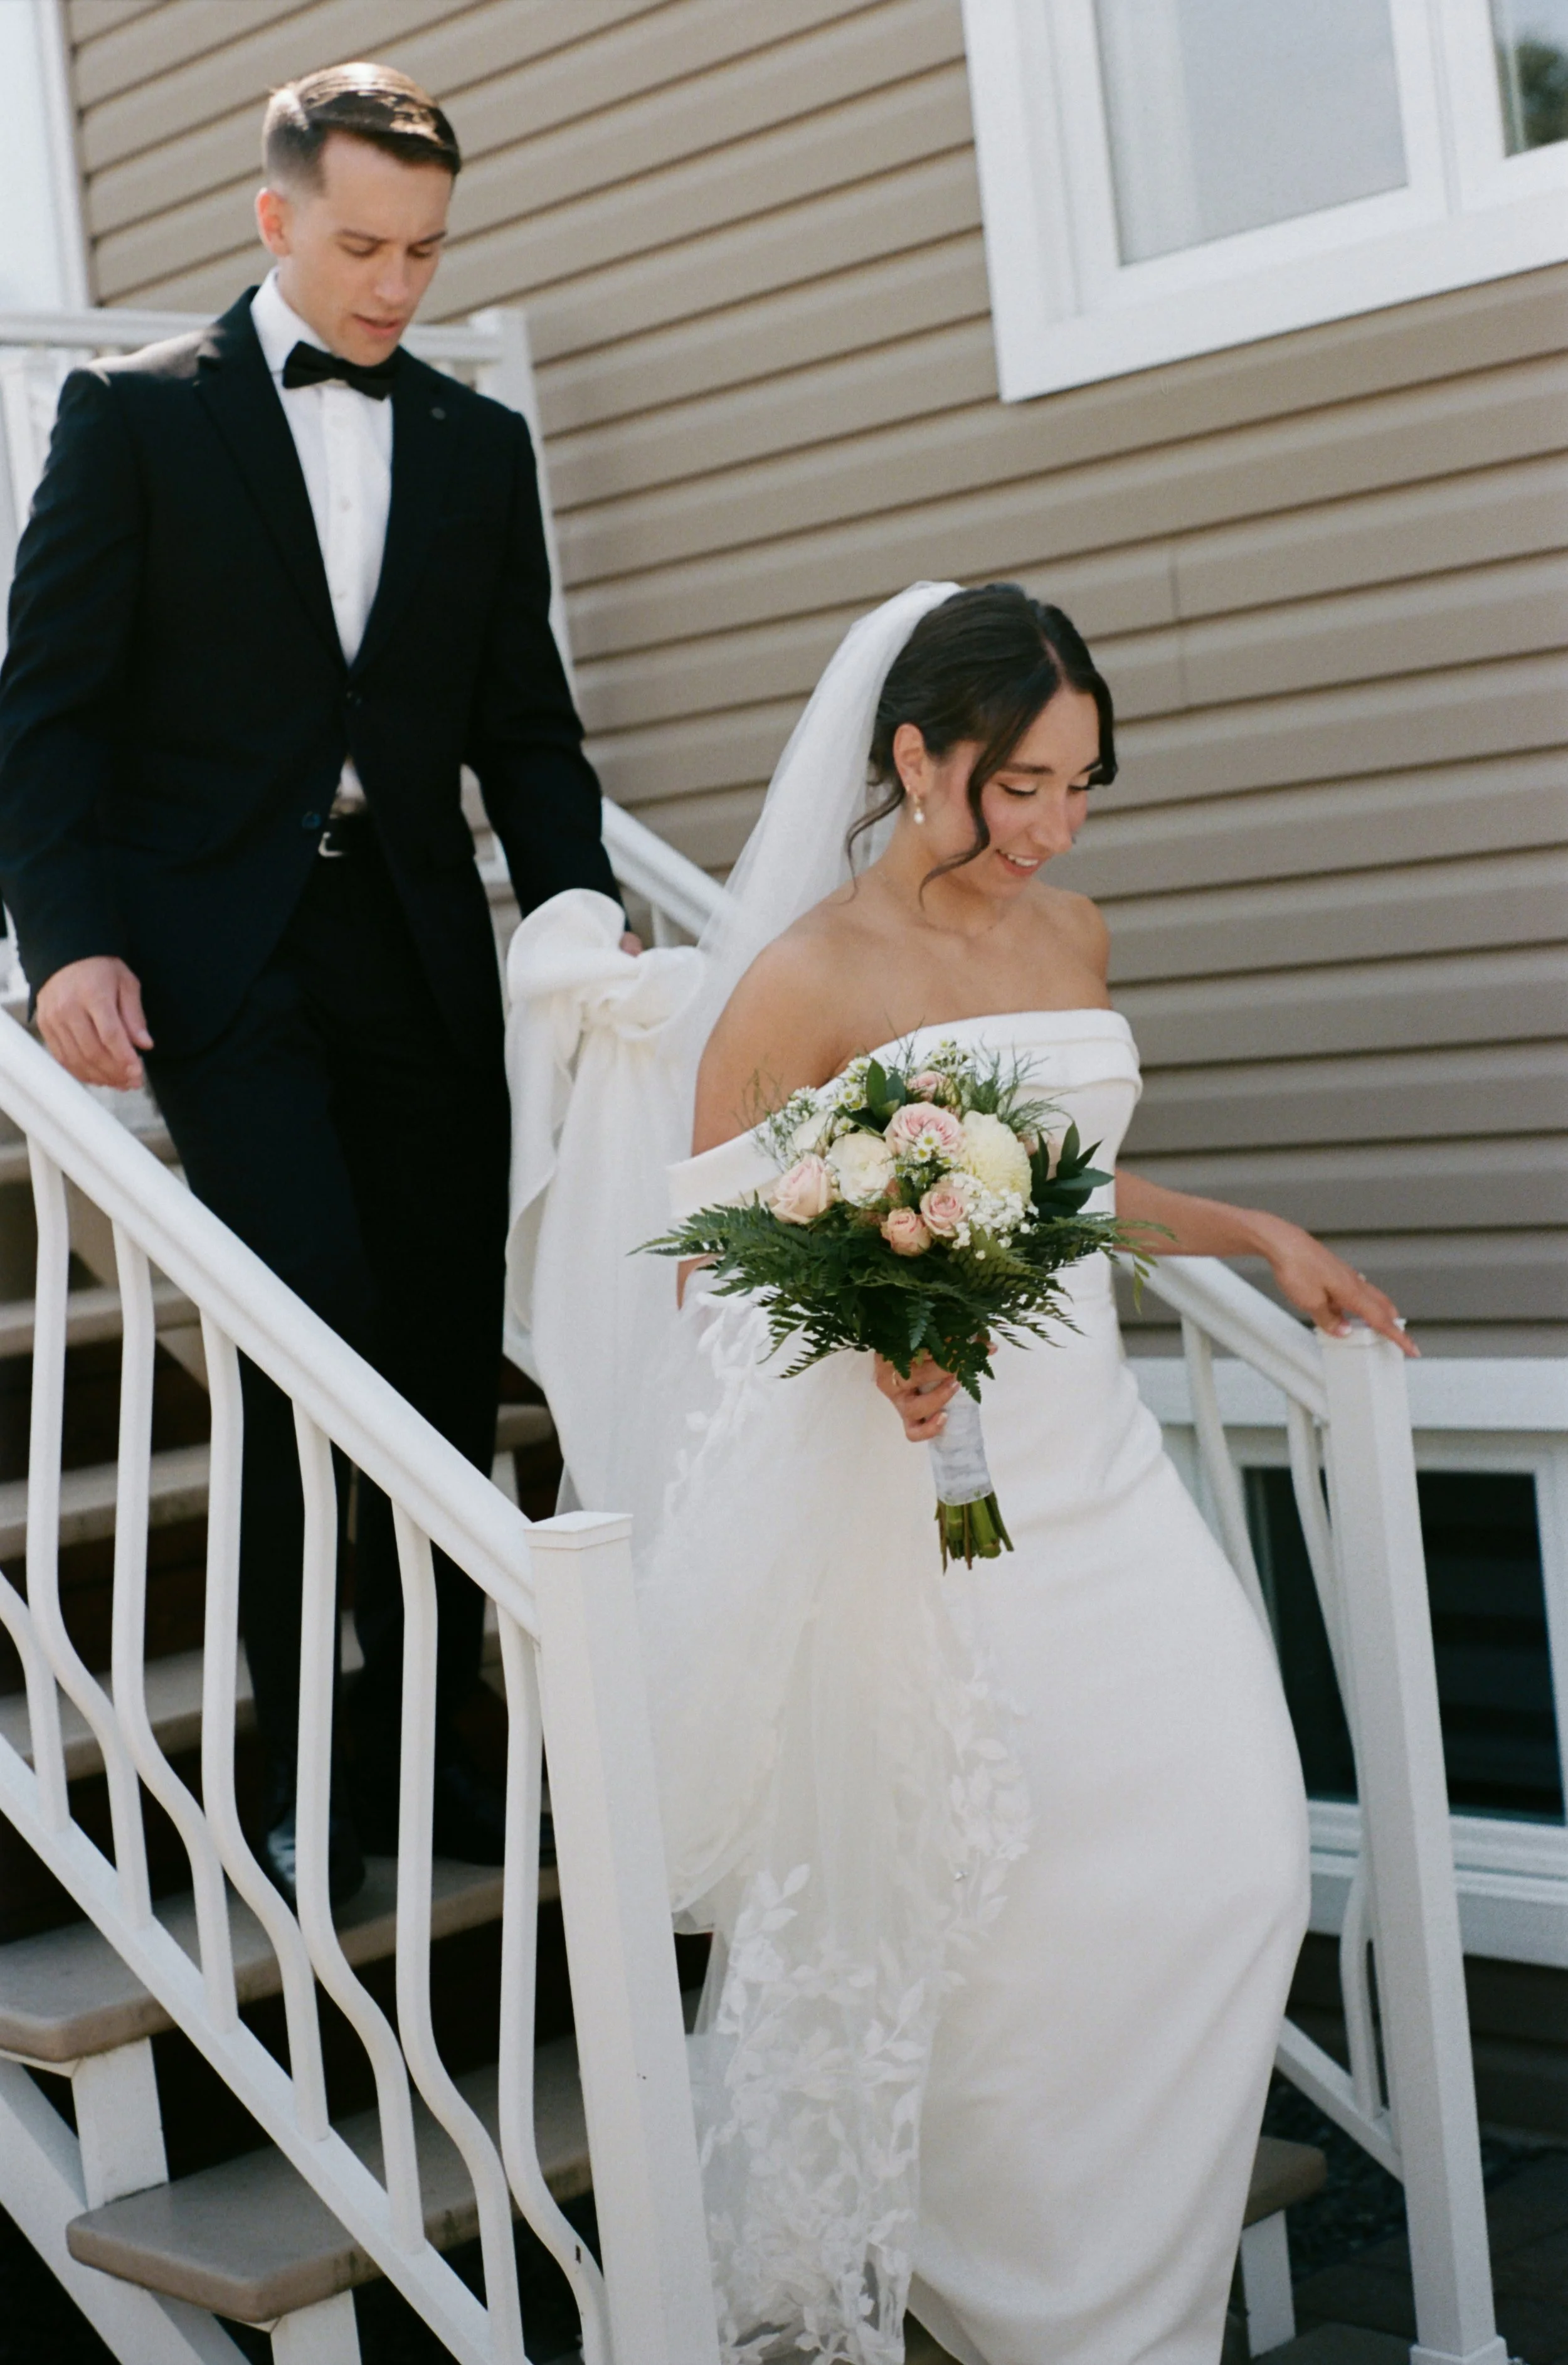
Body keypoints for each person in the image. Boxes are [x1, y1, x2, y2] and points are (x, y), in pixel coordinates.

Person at [506, 581, 1416, 2364]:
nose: (1052, 829)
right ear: (914, 758)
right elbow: (709, 1269)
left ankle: (1128, 2293)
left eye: (1081, 785)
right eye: (1020, 785)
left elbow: (1063, 1177)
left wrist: (1246, 1230)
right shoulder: (802, 980)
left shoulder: (1066, 936)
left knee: (1233, 1854)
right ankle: (1028, 2308)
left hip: (1103, 1473)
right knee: (1000, 1920)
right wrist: (872, 1331)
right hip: (924, 1502)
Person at [0, 63, 631, 1908]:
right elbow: (43, 718)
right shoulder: (130, 419)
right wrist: (67, 944)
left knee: (437, 1367)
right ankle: (300, 1788)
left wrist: (578, 905)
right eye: (361, 244)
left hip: (420, 954)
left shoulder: (473, 444)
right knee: (313, 1354)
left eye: (427, 251)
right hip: (222, 956)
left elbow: (525, 725)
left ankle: (446, 1771)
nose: (396, 285)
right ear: (275, 217)